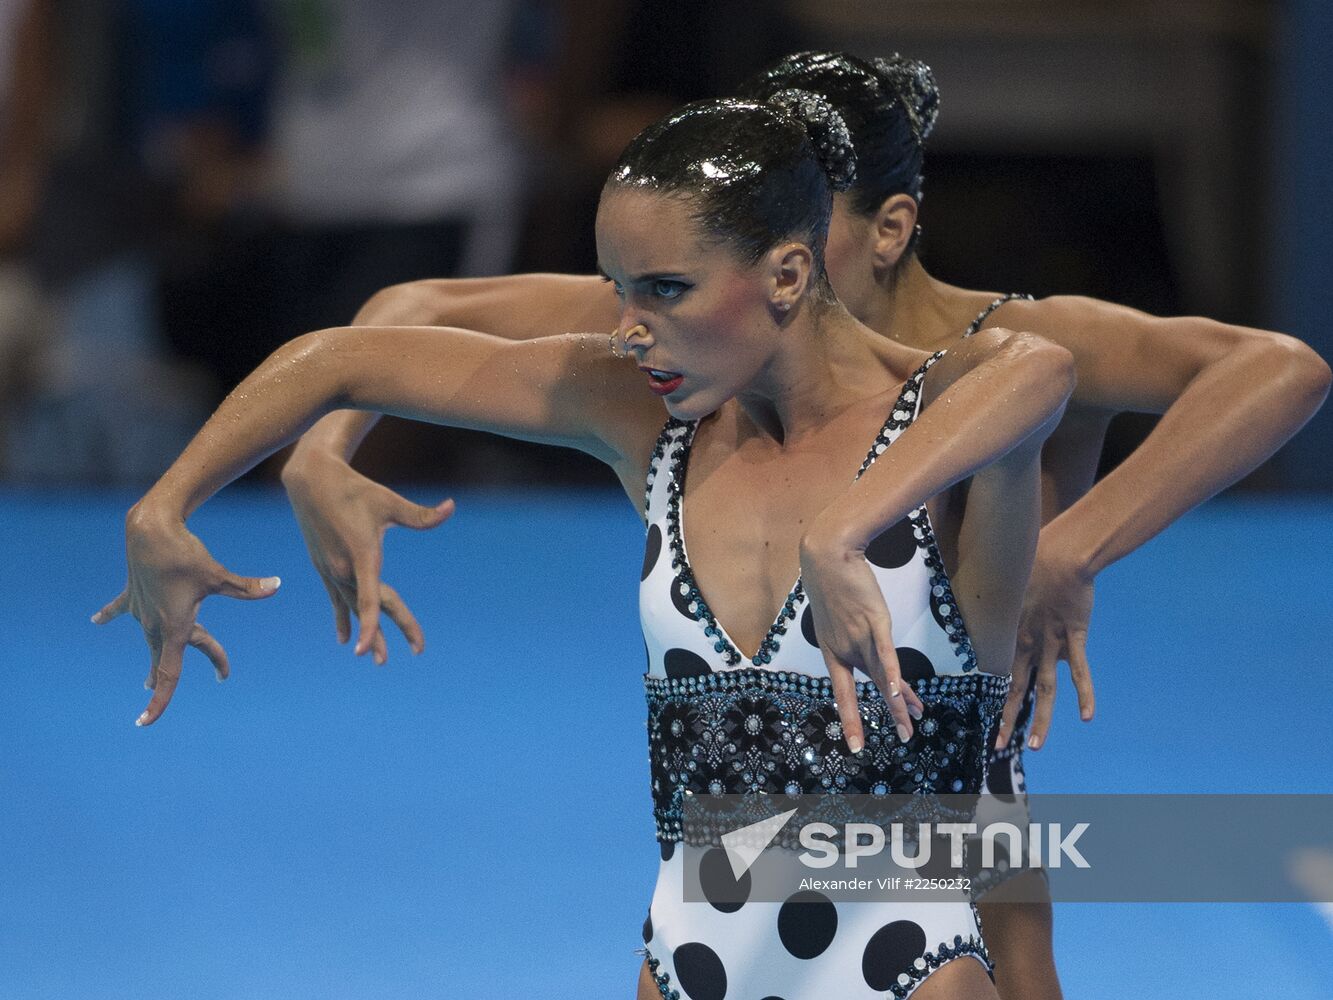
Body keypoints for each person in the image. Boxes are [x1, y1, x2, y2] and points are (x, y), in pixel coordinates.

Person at [277, 51, 1331, 999]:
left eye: (797, 209)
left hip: (952, 768)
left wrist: (1074, 543)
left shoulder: (1006, 345)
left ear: (887, 227)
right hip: (770, 778)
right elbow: (408, 312)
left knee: (1009, 953)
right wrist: (324, 453)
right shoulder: (709, 314)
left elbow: (1279, 370)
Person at [96, 94, 1076, 998]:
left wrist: (843, 528)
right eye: (617, 290)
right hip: (692, 951)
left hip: (906, 963)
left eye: (664, 290)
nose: (629, 329)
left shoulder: (948, 419)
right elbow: (344, 357)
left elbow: (1042, 369)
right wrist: (166, 507)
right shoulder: (647, 422)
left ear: (786, 272)